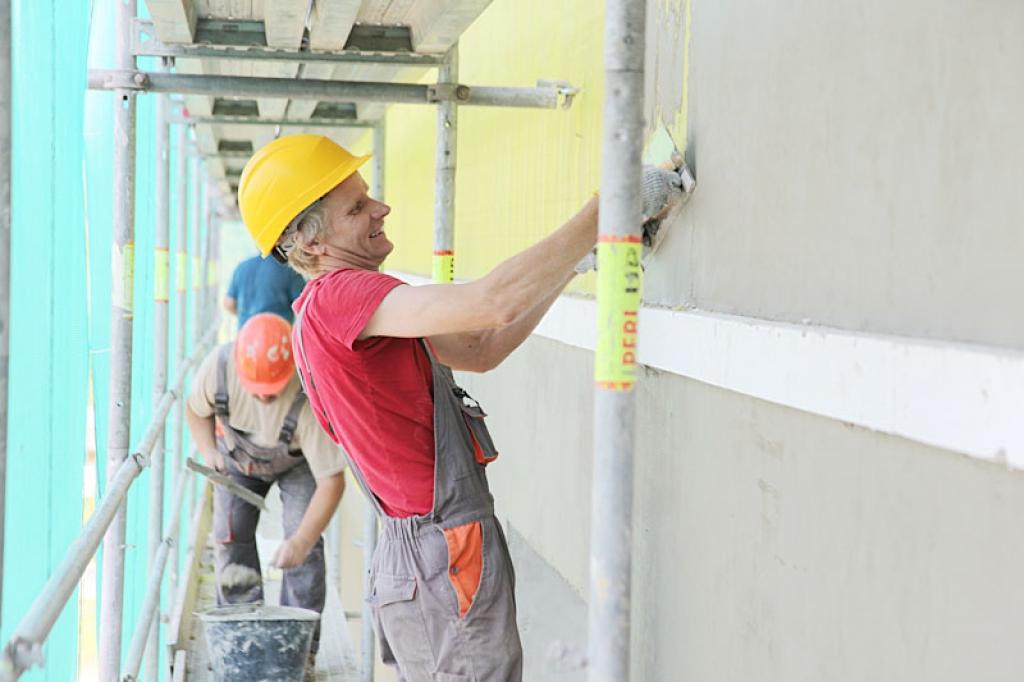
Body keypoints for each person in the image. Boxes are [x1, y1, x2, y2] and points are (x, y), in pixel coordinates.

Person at [236, 134, 687, 681]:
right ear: (310, 245)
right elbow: (491, 303)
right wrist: (608, 206)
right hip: (442, 551)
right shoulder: (343, 297)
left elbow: (480, 348)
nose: (381, 208)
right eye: (356, 208)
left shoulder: (336, 311)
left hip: (427, 554)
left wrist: (578, 263)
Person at [185, 312, 346, 678]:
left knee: (303, 547)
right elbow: (196, 412)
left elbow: (332, 482)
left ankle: (300, 648)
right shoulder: (220, 368)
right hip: (236, 461)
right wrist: (209, 451)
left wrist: (301, 540)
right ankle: (243, 637)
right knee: (231, 536)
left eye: (270, 390)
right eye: (255, 387)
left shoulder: (310, 394)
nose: (261, 395)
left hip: (297, 463)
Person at [224, 252, 307, 327]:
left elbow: (229, 303)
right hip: (277, 336)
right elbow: (303, 307)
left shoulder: (242, 267)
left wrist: (247, 316)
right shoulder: (289, 269)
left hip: (246, 335)